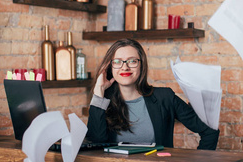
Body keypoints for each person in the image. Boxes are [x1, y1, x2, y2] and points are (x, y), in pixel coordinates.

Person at [86, 38, 219, 150]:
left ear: (141, 65)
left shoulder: (164, 98)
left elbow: (210, 131)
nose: (124, 67)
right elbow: (96, 144)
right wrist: (99, 92)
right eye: (117, 61)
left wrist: (201, 161)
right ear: (110, 67)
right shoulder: (102, 103)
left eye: (132, 61)